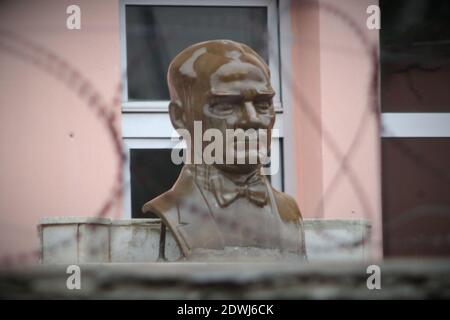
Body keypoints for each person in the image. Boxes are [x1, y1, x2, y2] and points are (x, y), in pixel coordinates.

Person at [143, 40, 306, 261]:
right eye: (225, 105)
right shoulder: (173, 209)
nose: (252, 120)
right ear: (179, 117)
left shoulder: (289, 211)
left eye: (263, 104)